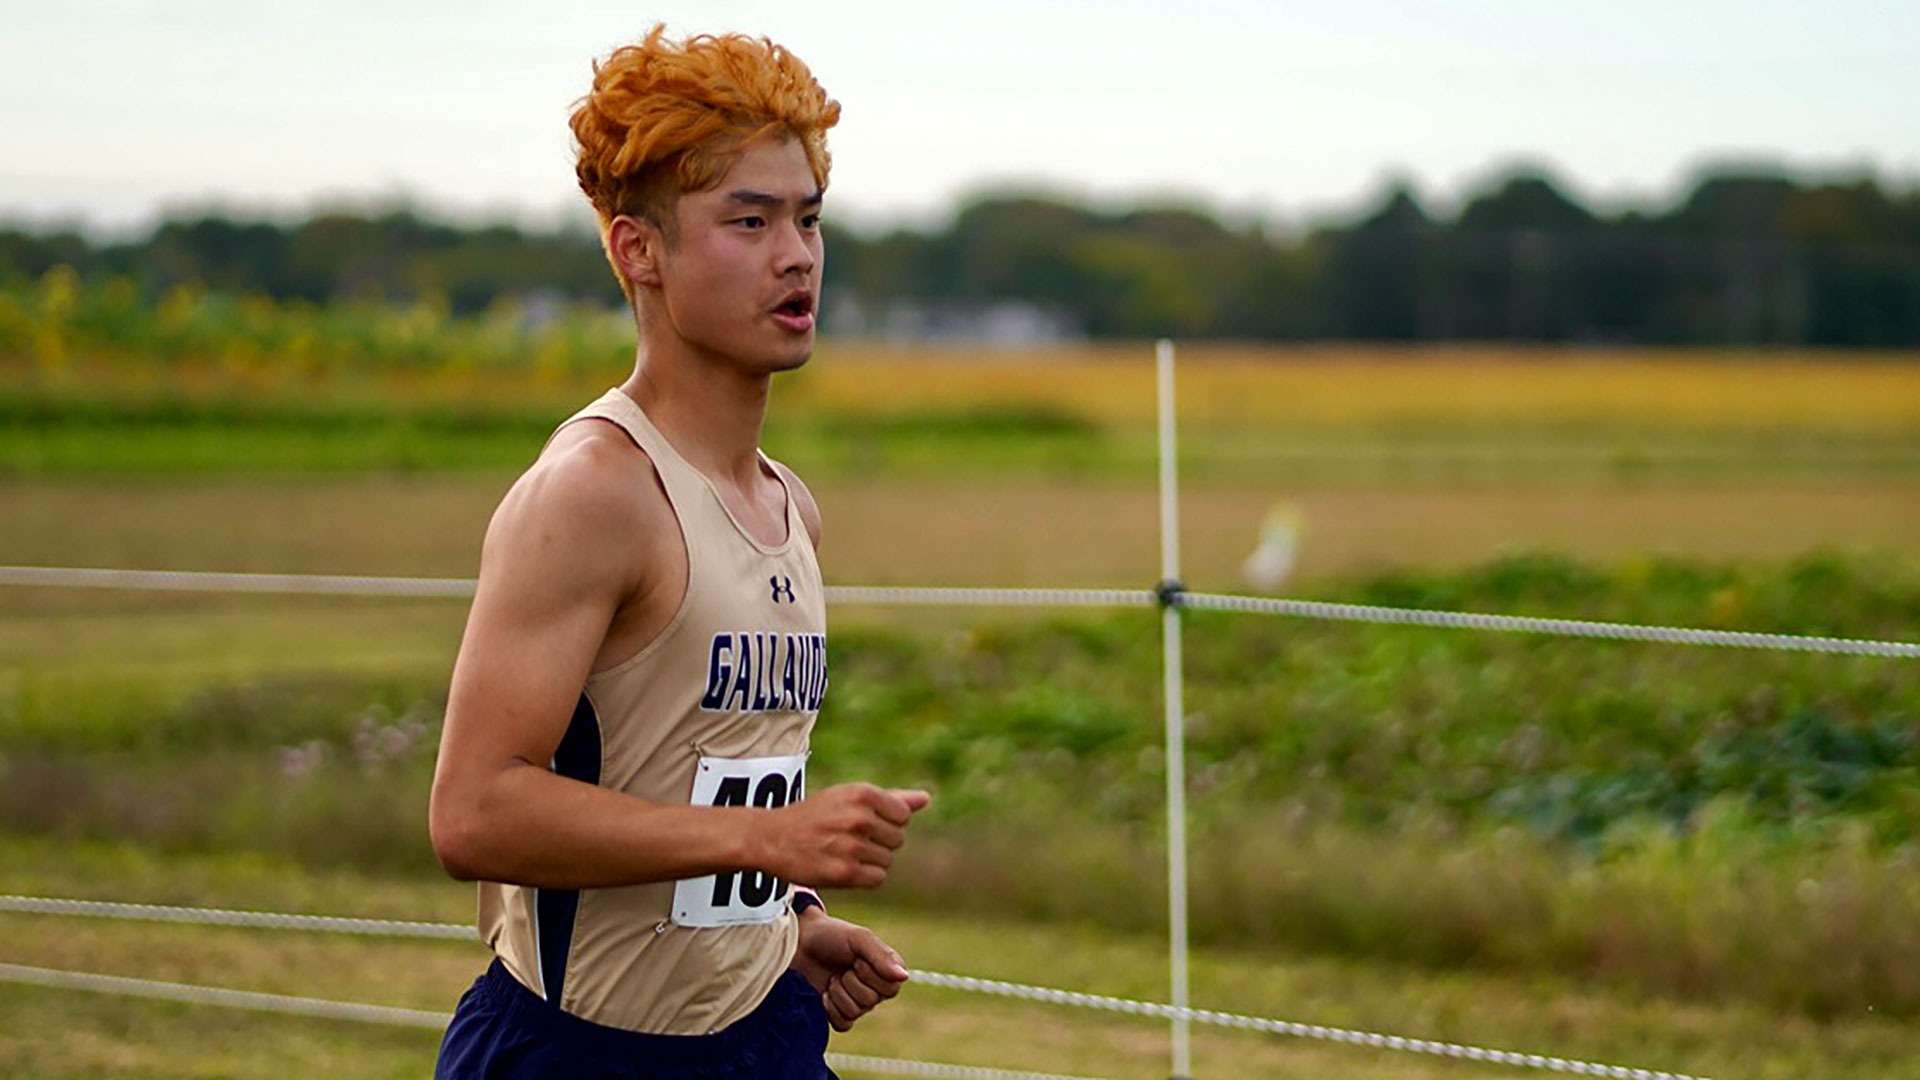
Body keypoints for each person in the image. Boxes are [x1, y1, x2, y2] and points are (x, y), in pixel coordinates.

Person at [428, 25, 930, 1079]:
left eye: (807, 218)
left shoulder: (793, 506)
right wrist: (767, 844)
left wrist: (785, 921)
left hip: (765, 1039)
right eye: (748, 220)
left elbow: (701, 789)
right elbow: (475, 810)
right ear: (636, 250)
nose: (796, 255)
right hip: (581, 1055)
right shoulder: (594, 493)